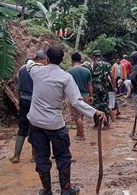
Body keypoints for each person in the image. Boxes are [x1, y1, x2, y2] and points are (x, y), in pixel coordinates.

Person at [26, 46, 106, 195]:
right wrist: (95, 112)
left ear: (47, 59)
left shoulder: (36, 72)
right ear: (62, 60)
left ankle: (46, 191)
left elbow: (29, 63)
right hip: (55, 124)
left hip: (36, 123)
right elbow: (76, 102)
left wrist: (32, 58)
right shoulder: (65, 77)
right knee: (63, 157)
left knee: (41, 158)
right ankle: (66, 190)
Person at [10, 50, 47, 164]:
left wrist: (19, 100)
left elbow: (18, 87)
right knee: (35, 128)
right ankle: (34, 156)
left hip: (24, 101)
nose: (46, 62)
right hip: (36, 102)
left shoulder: (22, 69)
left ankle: (16, 156)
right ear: (41, 59)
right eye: (45, 59)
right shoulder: (41, 69)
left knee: (22, 128)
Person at [67, 52, 94, 140]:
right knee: (80, 115)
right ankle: (79, 132)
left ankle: (81, 135)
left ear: (72, 60)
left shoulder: (69, 72)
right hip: (85, 95)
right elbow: (89, 85)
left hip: (74, 96)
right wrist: (91, 96)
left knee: (77, 116)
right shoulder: (87, 71)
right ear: (80, 60)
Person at [91, 50, 115, 128]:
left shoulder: (92, 65)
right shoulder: (107, 64)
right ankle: (106, 124)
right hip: (105, 87)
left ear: (94, 57)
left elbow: (89, 78)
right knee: (105, 105)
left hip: (94, 88)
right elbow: (112, 76)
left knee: (95, 105)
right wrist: (114, 87)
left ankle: (97, 124)